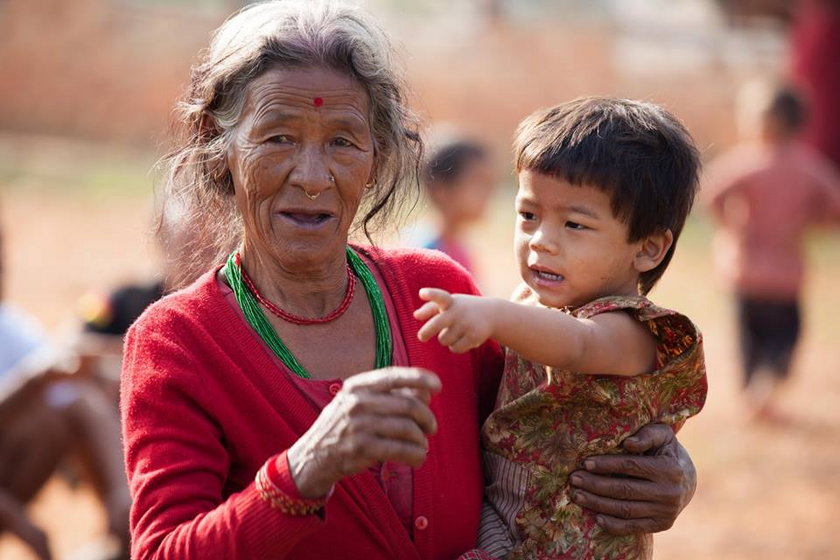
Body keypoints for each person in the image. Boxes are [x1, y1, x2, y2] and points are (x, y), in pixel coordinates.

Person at [121, 3, 701, 559]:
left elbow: (552, 414)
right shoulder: (177, 342)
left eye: (344, 141)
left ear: (378, 156)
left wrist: (665, 470)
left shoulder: (435, 293)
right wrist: (306, 469)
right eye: (278, 138)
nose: (314, 176)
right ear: (220, 149)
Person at [415, 98, 708, 559]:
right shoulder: (529, 303)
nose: (541, 240)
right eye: (528, 214)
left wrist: (491, 315)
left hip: (575, 539)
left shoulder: (631, 329)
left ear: (648, 248)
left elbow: (576, 346)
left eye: (574, 224)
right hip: (508, 515)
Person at [705, 83, 840, 421]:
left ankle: (753, 393)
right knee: (784, 340)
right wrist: (810, 222)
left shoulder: (747, 162)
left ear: (756, 122)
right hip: (785, 276)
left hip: (745, 271)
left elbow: (711, 192)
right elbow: (834, 205)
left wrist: (731, 225)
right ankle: (763, 393)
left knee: (748, 341)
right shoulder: (809, 166)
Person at [0, 228, 130, 560]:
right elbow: (44, 371)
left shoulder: (10, 327)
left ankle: (124, 508)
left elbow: (66, 380)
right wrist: (16, 520)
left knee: (73, 399)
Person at [420, 138, 496, 275]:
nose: (487, 192)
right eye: (478, 182)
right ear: (440, 189)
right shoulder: (424, 254)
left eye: (489, 183)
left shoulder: (460, 250)